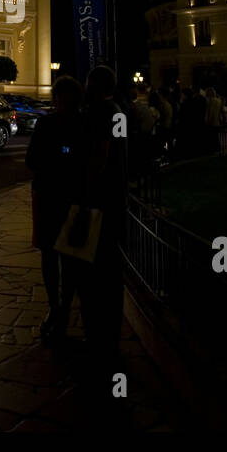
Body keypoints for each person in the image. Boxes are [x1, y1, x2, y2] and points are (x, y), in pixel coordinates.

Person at [76, 65, 127, 387]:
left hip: (99, 203)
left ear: (94, 87)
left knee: (93, 272)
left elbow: (100, 155)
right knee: (111, 272)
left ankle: (97, 337)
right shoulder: (118, 110)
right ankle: (109, 336)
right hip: (116, 200)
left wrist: (84, 196)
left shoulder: (101, 112)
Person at [25, 75, 84, 339]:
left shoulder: (55, 123)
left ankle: (59, 309)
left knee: (61, 257)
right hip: (56, 197)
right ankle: (57, 307)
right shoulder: (55, 123)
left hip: (58, 198)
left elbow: (34, 160)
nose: (64, 102)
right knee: (56, 256)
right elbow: (32, 159)